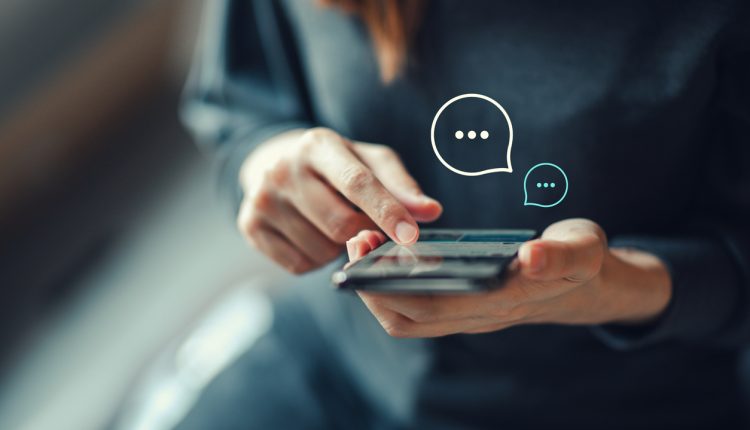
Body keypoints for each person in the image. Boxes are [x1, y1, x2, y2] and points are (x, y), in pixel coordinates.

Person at [178, 0, 750, 428]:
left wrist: (617, 287)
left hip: (619, 405)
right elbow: (238, 103)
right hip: (337, 359)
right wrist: (265, 163)